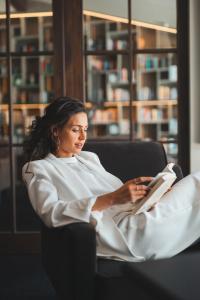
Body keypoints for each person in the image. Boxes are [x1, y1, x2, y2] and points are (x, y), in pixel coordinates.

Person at [22, 96, 200, 262]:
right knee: (197, 183)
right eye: (75, 130)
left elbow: (121, 199)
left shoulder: (89, 158)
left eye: (85, 130)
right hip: (122, 234)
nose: (83, 137)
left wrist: (152, 194)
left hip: (136, 215)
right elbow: (50, 212)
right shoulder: (38, 169)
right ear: (55, 131)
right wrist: (113, 198)